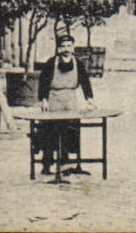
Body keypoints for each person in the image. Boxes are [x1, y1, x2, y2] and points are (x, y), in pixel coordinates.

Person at [36, 30, 94, 174]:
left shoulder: (78, 64)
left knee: (70, 131)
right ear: (58, 48)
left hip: (70, 99)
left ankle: (66, 164)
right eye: (63, 46)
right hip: (54, 99)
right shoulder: (51, 63)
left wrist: (89, 100)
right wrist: (44, 100)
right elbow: (43, 82)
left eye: (69, 46)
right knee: (50, 132)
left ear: (73, 47)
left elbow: (85, 82)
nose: (66, 49)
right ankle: (47, 165)